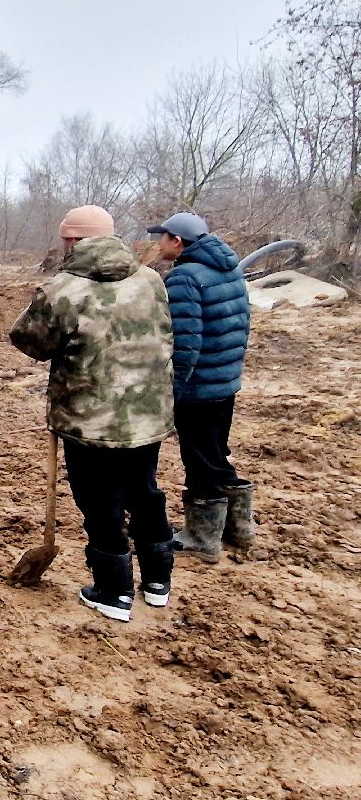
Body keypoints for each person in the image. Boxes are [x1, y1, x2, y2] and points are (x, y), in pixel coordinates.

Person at [9, 205, 175, 622]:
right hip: (147, 412)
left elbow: (30, 342)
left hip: (90, 418)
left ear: (72, 241)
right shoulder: (151, 279)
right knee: (145, 491)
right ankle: (157, 581)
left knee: (101, 499)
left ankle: (113, 591)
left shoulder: (63, 289)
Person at [147, 211, 253, 563]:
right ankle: (238, 530)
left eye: (162, 237)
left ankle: (203, 537)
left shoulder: (183, 278)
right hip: (225, 382)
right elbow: (241, 325)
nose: (157, 243)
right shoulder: (231, 269)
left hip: (198, 389)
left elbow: (185, 344)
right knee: (216, 453)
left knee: (200, 459)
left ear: (177, 241)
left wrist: (174, 388)